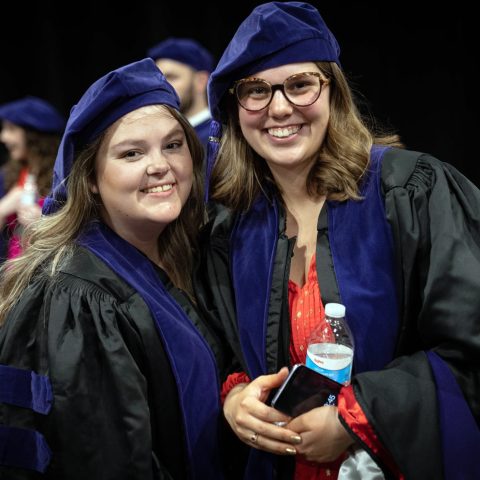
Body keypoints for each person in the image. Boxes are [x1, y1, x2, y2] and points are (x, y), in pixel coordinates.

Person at [195, 2, 480, 479]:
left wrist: (359, 418)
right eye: (256, 91)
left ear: (333, 92)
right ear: (234, 108)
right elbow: (213, 346)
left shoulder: (411, 192)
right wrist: (235, 397)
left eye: (300, 84)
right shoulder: (229, 227)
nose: (279, 108)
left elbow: (469, 344)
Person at [0, 58, 228, 479]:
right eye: (132, 153)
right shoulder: (76, 294)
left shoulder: (191, 255)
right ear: (89, 177)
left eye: (173, 145)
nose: (160, 165)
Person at [0, 96, 65, 260]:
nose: (3, 137)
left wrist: (44, 223)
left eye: (11, 129)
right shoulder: (9, 176)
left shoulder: (63, 178)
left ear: (34, 135)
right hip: (13, 271)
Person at [147, 37, 214, 148]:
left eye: (171, 77)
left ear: (201, 81)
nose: (161, 85)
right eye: (157, 79)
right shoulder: (155, 137)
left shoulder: (223, 138)